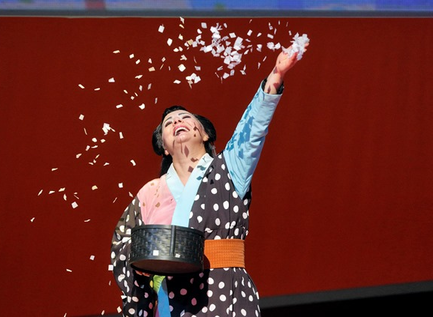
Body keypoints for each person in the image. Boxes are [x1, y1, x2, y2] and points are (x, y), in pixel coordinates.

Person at [111, 44, 307, 317]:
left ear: (204, 134)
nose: (176, 121)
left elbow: (249, 133)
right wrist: (140, 259)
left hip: (224, 292)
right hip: (169, 299)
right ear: (164, 147)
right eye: (168, 123)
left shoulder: (229, 169)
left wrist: (276, 75)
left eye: (184, 118)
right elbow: (122, 242)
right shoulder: (150, 192)